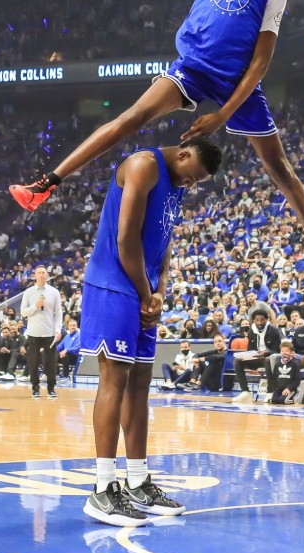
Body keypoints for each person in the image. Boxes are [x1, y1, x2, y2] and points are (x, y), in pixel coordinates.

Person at [10, 0, 304, 295]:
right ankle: (45, 185)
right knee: (130, 118)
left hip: (237, 82)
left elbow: (260, 63)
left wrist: (220, 116)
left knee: (280, 169)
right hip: (193, 67)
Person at [79, 136, 222, 526]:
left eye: (197, 182)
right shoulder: (144, 165)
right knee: (113, 382)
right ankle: (103, 488)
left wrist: (160, 291)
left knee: (142, 383)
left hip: (143, 288)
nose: (192, 184)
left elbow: (165, 242)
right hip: (113, 284)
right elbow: (125, 238)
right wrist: (146, 292)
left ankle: (138, 479)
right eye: (193, 176)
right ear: (184, 152)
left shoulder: (175, 186)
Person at [20, 265, 65, 399]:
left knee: (51, 362)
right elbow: (23, 312)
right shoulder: (28, 292)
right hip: (33, 332)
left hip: (49, 333)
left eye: (43, 273)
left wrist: (58, 330)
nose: (41, 275)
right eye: (38, 273)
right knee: (33, 361)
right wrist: (35, 306)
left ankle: (51, 388)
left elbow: (59, 313)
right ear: (35, 275)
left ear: (47, 275)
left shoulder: (54, 292)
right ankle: (35, 387)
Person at [233, 307, 281, 403]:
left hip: (270, 358)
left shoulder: (274, 331)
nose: (259, 323)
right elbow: (250, 349)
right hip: (257, 358)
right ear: (253, 321)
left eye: (262, 320)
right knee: (237, 361)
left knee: (268, 360)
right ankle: (245, 392)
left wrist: (266, 352)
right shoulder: (251, 331)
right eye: (257, 320)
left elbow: (277, 350)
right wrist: (249, 355)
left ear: (267, 320)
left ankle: (270, 391)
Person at [267, 340, 302, 404]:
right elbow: (274, 378)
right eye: (282, 351)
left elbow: (297, 380)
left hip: (290, 389)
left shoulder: (295, 364)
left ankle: (294, 398)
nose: (284, 353)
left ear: (291, 353)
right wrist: (275, 390)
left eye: (287, 351)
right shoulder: (277, 364)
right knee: (274, 401)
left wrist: (289, 389)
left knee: (282, 401)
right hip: (279, 389)